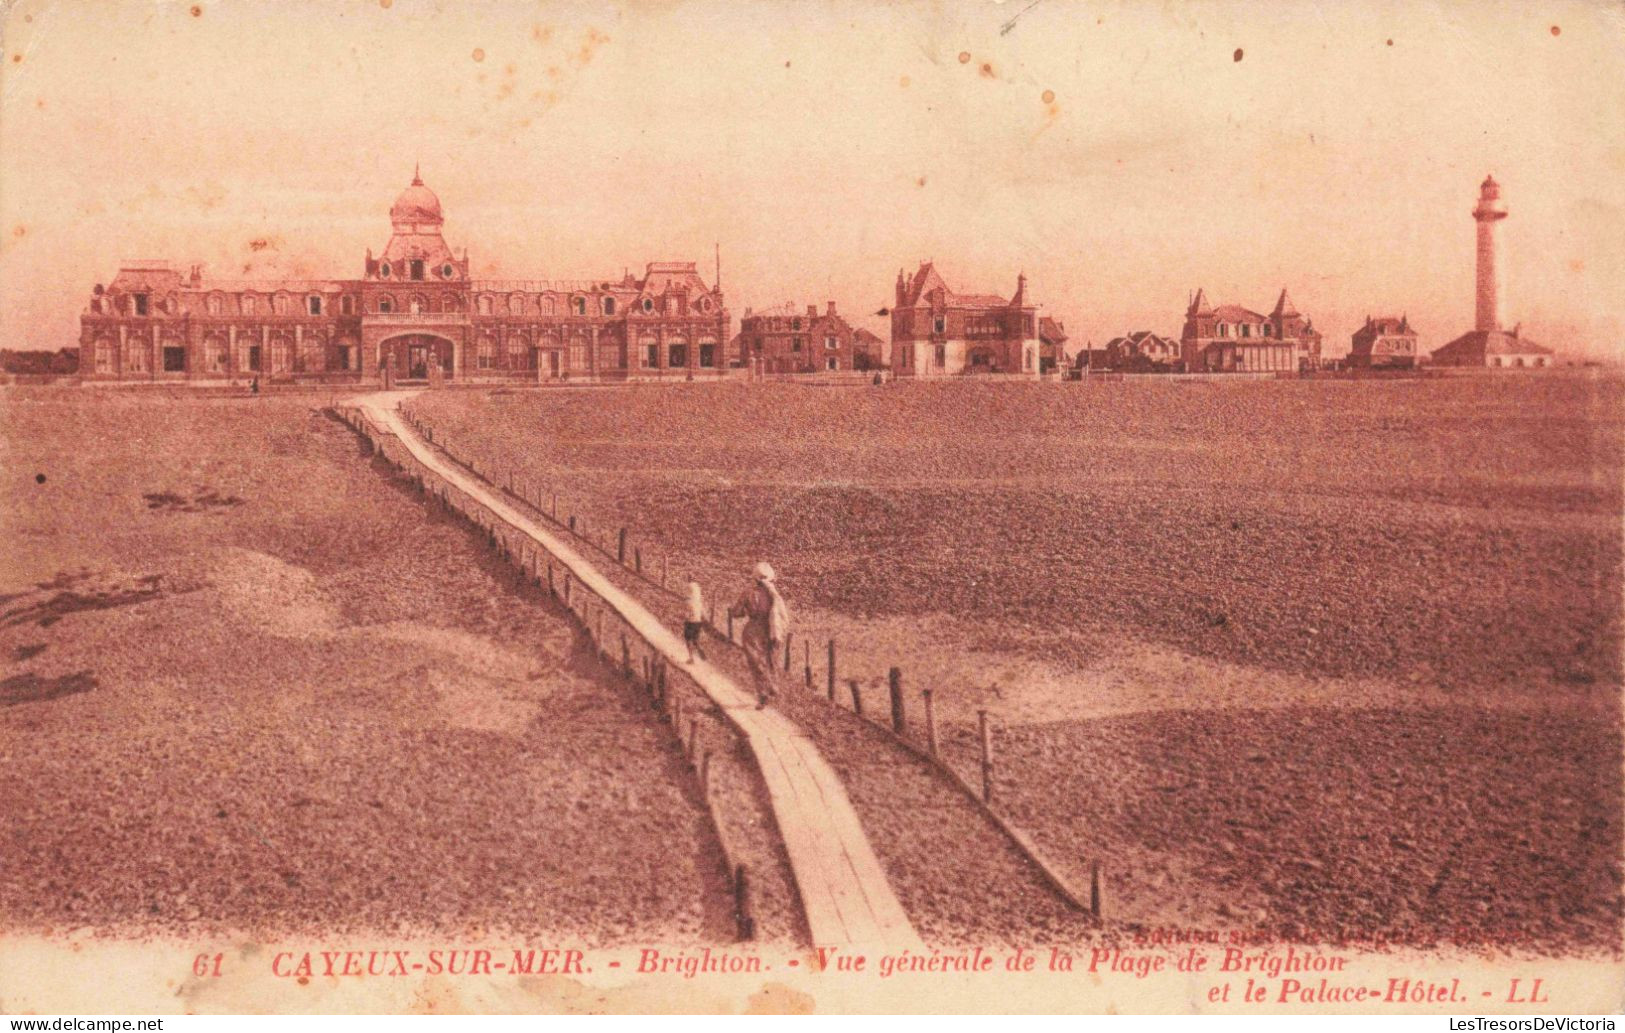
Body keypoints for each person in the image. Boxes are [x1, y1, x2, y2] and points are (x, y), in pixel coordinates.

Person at [730, 561, 789, 708]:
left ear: (755, 578)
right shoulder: (774, 596)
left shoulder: (748, 593)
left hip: (753, 630)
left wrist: (732, 611)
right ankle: (772, 686)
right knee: (771, 660)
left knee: (756, 662)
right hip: (771, 630)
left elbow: (737, 613)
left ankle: (762, 692)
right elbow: (781, 616)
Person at [683, 581, 707, 664]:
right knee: (695, 639)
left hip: (690, 622)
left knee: (688, 640)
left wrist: (685, 618)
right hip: (698, 622)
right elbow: (703, 613)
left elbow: (686, 614)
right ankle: (699, 648)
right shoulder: (699, 602)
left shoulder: (688, 602)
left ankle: (691, 658)